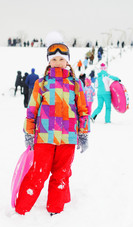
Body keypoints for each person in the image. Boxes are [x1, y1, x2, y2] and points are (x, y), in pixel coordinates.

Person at [15, 32, 89, 216]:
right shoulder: (42, 84)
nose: (57, 62)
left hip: (68, 137)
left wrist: (83, 133)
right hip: (44, 137)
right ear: (49, 61)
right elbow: (31, 110)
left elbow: (83, 111)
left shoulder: (75, 84)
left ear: (68, 62)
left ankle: (55, 210)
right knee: (38, 173)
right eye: (54, 59)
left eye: (61, 59)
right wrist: (29, 132)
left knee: (61, 174)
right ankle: (22, 209)